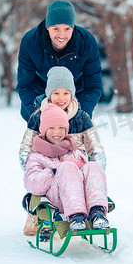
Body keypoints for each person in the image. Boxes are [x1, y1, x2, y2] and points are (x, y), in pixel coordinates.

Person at [20, 66, 106, 235]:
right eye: (56, 93)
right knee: (64, 170)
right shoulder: (38, 117)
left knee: (90, 168)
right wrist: (41, 178)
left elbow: (95, 150)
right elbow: (26, 151)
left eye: (66, 93)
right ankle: (43, 218)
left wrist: (94, 180)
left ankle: (96, 213)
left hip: (79, 173)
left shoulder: (81, 118)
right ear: (49, 93)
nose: (61, 98)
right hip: (50, 179)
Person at [24, 103, 109, 230]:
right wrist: (53, 171)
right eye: (51, 128)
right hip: (56, 201)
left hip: (82, 197)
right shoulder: (36, 157)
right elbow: (32, 184)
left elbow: (89, 178)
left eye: (61, 128)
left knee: (92, 166)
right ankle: (75, 215)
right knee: (67, 167)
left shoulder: (76, 152)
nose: (57, 132)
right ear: (43, 130)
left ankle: (97, 212)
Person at [16, 0, 103, 120]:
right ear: (47, 27)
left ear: (73, 27)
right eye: (55, 28)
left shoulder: (86, 42)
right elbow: (25, 85)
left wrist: (80, 114)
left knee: (73, 135)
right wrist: (38, 114)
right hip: (41, 96)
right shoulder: (30, 41)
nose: (62, 35)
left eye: (67, 29)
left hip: (74, 97)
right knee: (43, 136)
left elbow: (93, 85)